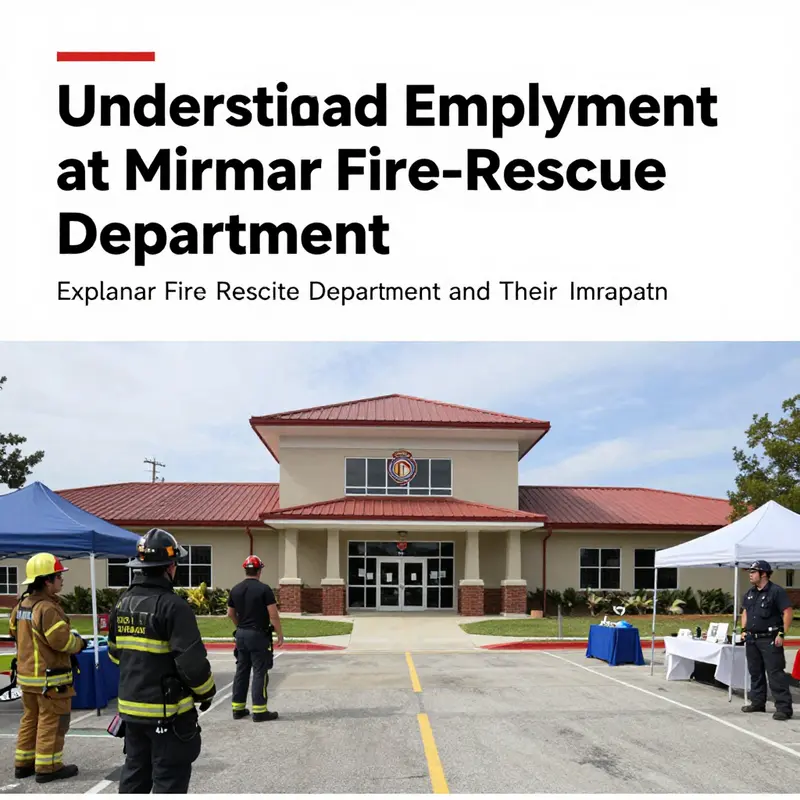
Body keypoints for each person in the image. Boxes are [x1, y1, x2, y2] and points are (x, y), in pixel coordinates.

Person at [109, 528, 217, 793]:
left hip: (131, 713)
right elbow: (192, 664)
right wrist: (206, 693)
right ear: (170, 567)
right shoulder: (173, 606)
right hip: (168, 716)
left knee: (135, 776)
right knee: (169, 781)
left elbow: (114, 654)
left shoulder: (121, 604)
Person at [9, 553, 87, 784]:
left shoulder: (21, 606)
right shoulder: (47, 609)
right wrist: (80, 644)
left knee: (30, 719)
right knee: (52, 722)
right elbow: (62, 642)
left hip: (27, 679)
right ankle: (48, 767)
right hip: (50, 680)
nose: (61, 580)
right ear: (46, 580)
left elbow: (14, 633)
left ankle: (23, 764)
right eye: (58, 576)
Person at [227, 555, 284, 721]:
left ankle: (238, 708)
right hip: (258, 635)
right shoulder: (264, 589)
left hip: (241, 635)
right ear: (259, 571)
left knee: (242, 671)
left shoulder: (235, 589)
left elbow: (230, 613)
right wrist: (279, 633)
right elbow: (273, 614)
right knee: (260, 672)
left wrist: (240, 626)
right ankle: (259, 710)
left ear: (246, 570)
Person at [740, 559, 793, 720]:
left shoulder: (776, 592)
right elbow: (745, 612)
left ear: (763, 574)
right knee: (755, 672)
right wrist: (743, 630)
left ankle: (783, 708)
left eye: (753, 572)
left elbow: (788, 612)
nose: (750, 575)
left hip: (770, 638)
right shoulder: (750, 593)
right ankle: (758, 702)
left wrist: (782, 634)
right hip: (752, 639)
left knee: (775, 674)